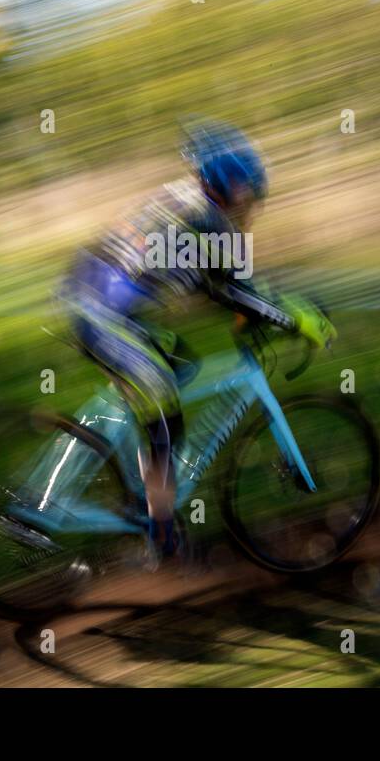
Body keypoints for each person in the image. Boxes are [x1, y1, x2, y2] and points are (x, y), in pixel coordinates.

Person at [59, 119, 335, 559]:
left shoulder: (185, 200)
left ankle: (139, 490)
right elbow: (233, 289)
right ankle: (160, 532)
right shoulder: (207, 218)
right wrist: (297, 320)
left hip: (94, 298)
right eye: (250, 196)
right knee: (166, 417)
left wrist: (256, 305)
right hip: (104, 314)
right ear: (231, 187)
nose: (253, 208)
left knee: (178, 366)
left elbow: (213, 283)